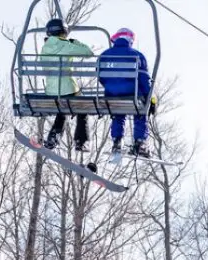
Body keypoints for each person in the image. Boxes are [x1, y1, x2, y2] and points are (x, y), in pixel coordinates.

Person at [98, 28, 153, 158]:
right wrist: (148, 97)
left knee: (118, 112)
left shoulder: (104, 55)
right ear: (130, 40)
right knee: (140, 110)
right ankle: (140, 142)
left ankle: (117, 141)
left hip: (112, 94)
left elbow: (100, 76)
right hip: (132, 93)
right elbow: (144, 79)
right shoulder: (137, 55)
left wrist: (111, 87)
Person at [41, 19, 93, 151]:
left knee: (63, 111)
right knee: (82, 107)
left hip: (51, 91)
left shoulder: (45, 47)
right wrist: (75, 42)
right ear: (64, 32)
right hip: (67, 89)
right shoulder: (65, 45)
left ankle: (53, 138)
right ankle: (81, 141)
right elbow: (88, 52)